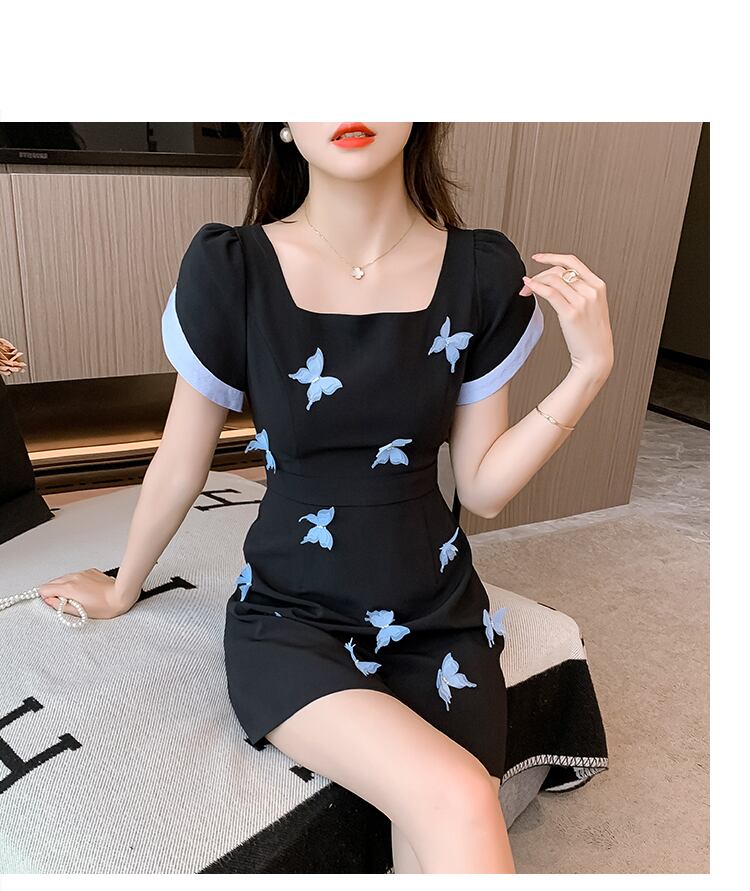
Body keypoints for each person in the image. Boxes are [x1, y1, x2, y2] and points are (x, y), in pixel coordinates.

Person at [37, 122, 614, 874]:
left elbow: (483, 488)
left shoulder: (480, 270)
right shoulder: (233, 267)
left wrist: (588, 370)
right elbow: (181, 461)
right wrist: (123, 586)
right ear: (282, 121)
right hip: (292, 618)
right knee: (462, 796)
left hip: (441, 619)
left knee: (445, 814)